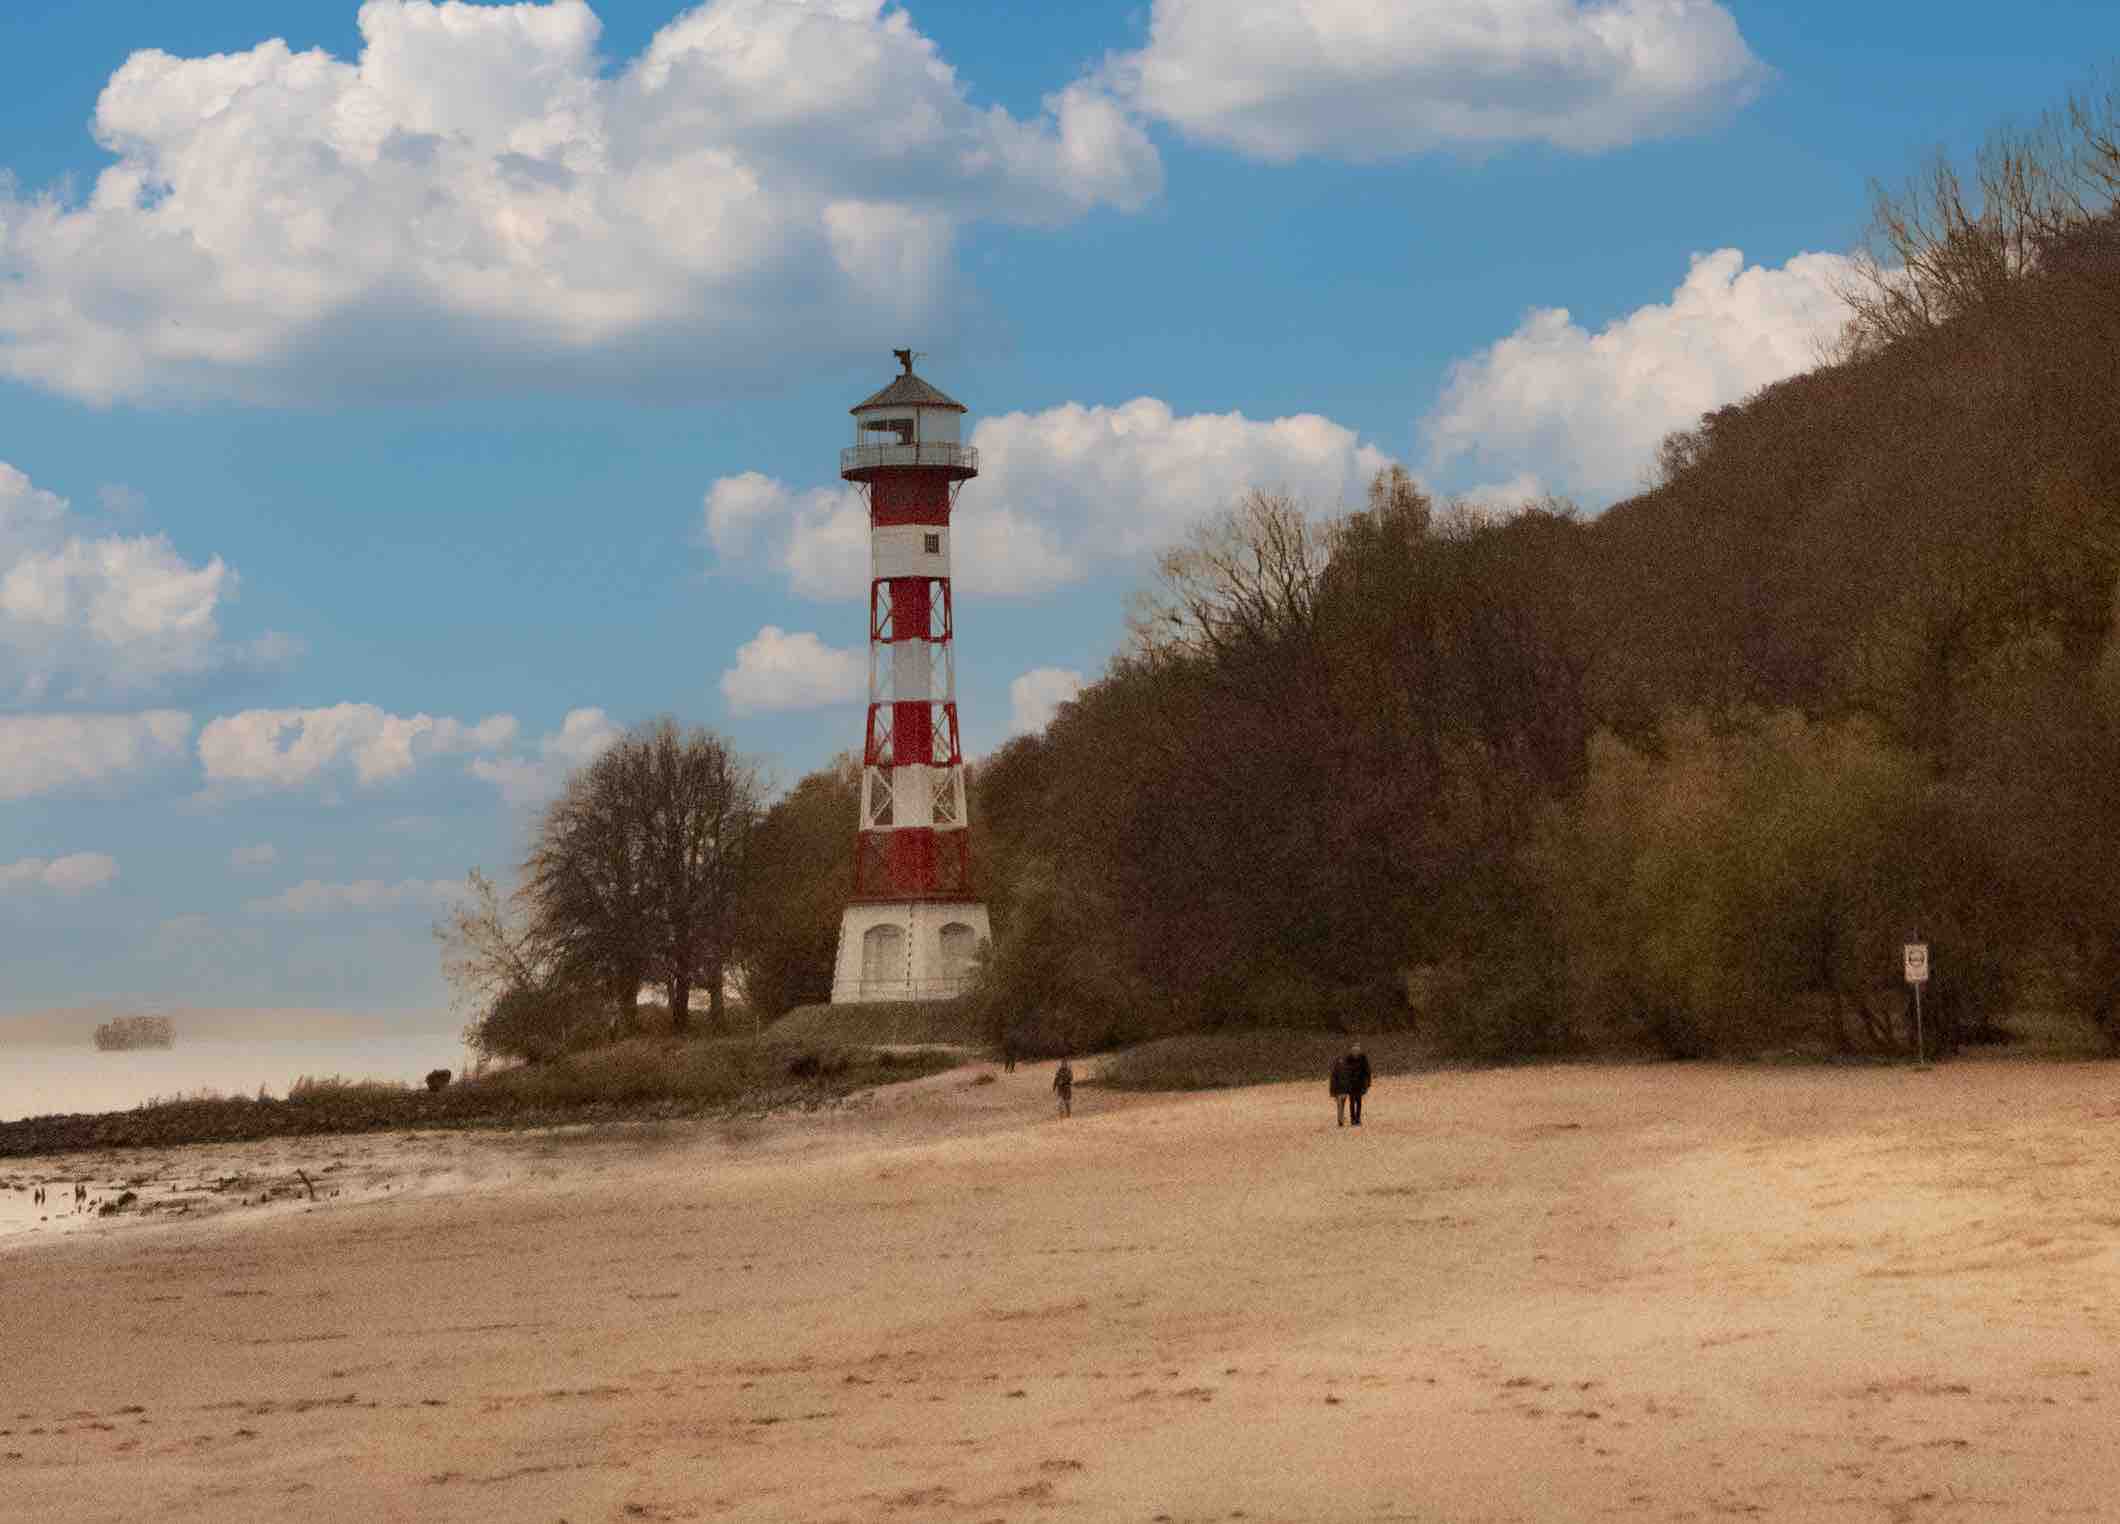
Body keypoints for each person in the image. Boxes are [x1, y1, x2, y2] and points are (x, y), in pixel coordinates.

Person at [1330, 1041, 1372, 1127]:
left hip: (1360, 1084)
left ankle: (1358, 1119)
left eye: (1357, 1050)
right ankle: (1353, 1119)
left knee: (1359, 1102)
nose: (1355, 1052)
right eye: (1354, 1050)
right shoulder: (1348, 1059)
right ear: (1351, 1051)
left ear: (1360, 1051)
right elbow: (1345, 1071)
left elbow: (1367, 1071)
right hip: (1351, 1084)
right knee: (1352, 1102)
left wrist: (1368, 1083)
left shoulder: (1363, 1058)